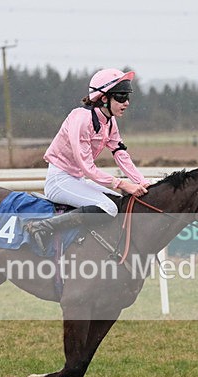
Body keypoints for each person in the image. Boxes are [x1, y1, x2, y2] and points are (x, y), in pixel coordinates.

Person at [25, 68, 150, 254]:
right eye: (122, 97)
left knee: (118, 203)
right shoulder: (81, 119)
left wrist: (142, 181)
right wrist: (123, 183)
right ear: (104, 98)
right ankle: (43, 227)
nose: (127, 102)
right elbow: (88, 168)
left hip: (76, 180)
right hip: (59, 181)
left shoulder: (110, 121)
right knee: (108, 207)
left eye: (128, 96)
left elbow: (120, 154)